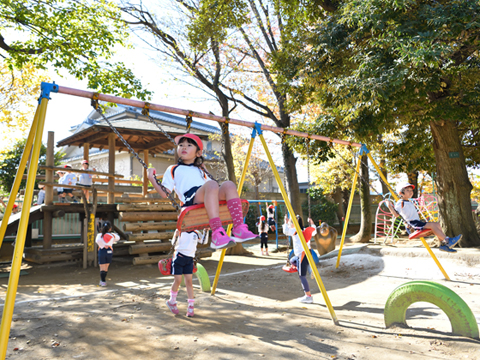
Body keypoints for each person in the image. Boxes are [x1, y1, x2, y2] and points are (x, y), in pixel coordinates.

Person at [147, 133, 258, 250]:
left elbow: (214, 187)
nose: (184, 147)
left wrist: (203, 169)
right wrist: (151, 178)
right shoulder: (173, 169)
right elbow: (165, 193)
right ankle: (217, 233)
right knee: (211, 185)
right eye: (181, 145)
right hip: (192, 198)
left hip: (207, 193)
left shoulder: (200, 169)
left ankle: (239, 228)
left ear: (198, 153)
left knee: (229, 184)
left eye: (189, 145)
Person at [387, 183, 462, 253]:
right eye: (407, 190)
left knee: (438, 225)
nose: (411, 192)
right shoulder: (400, 203)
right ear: (401, 193)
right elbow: (396, 215)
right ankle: (448, 240)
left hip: (417, 222)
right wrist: (389, 206)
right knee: (433, 226)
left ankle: (443, 245)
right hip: (412, 225)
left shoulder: (409, 202)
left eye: (411, 190)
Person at [165, 230, 203, 317]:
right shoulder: (180, 230)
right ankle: (172, 301)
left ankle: (191, 306)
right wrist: (176, 235)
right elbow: (173, 243)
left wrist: (205, 231)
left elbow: (203, 241)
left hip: (189, 259)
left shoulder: (196, 232)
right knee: (178, 280)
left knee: (189, 282)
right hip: (179, 257)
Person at [282, 214, 317, 303]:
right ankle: (308, 268)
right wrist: (312, 223)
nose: (290, 225)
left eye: (290, 223)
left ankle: (308, 296)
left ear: (295, 223)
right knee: (292, 261)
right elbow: (314, 231)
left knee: (302, 276)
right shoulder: (305, 230)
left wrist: (285, 222)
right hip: (305, 253)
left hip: (302, 254)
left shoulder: (295, 230)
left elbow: (286, 231)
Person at [95, 220, 120, 286]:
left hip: (102, 251)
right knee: (106, 267)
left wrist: (103, 245)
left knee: (102, 267)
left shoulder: (99, 235)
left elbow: (97, 241)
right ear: (110, 228)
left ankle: (103, 281)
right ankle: (103, 281)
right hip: (109, 251)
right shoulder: (112, 235)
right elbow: (118, 238)